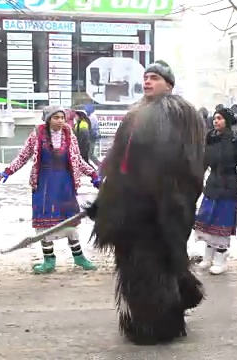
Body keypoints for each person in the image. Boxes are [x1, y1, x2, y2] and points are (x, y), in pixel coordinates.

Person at [86, 61, 205, 345]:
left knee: (155, 264)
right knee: (135, 265)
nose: (148, 82)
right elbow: (119, 165)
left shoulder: (181, 114)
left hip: (161, 206)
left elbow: (187, 165)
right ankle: (148, 317)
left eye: (155, 77)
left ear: (169, 83)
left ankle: (159, 324)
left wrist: (167, 199)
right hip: (131, 207)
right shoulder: (135, 116)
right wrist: (106, 199)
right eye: (146, 78)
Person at [1, 106, 99, 274]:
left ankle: (79, 257)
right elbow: (23, 156)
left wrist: (93, 174)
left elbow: (78, 161)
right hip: (44, 184)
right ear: (47, 119)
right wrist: (8, 171)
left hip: (65, 184)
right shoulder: (37, 136)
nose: (60, 121)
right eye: (56, 117)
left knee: (69, 221)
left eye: (62, 117)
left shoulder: (70, 136)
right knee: (44, 223)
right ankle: (49, 260)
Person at [193, 106, 237, 275]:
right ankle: (208, 256)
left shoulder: (236, 139)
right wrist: (194, 179)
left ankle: (220, 258)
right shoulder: (210, 137)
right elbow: (203, 162)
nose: (216, 121)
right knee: (207, 220)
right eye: (215, 118)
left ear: (228, 121)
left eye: (220, 118)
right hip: (212, 184)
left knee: (222, 222)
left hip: (229, 185)